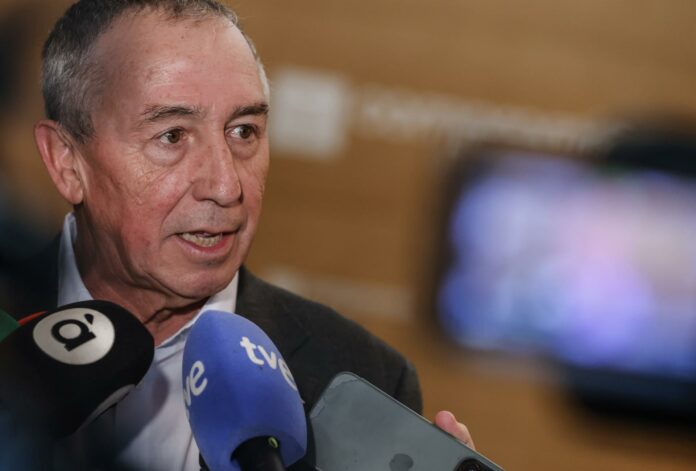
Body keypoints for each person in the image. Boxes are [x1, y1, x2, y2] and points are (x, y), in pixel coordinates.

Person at [11, 0, 473, 469]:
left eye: (244, 131)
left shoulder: (362, 376)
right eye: (172, 136)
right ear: (67, 162)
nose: (225, 185)